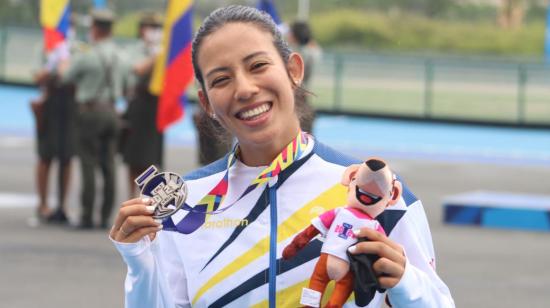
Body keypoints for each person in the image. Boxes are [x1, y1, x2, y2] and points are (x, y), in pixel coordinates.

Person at [110, 5, 454, 307]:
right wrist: (140, 261)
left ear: (294, 70)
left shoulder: (376, 192)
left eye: (258, 65)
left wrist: (406, 281)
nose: (244, 89)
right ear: (206, 103)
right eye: (221, 79)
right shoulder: (185, 205)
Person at [59, 9, 121, 229]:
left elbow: (66, 77)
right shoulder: (119, 54)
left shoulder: (88, 53)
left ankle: (87, 215)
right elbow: (128, 83)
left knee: (88, 163)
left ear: (95, 28)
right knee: (109, 165)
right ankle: (106, 216)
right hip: (113, 111)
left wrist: (64, 64)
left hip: (90, 111)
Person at [31, 16, 80, 224]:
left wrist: (66, 66)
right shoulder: (46, 47)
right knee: (45, 156)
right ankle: (42, 204)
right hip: (50, 104)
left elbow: (80, 79)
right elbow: (37, 78)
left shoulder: (78, 49)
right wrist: (52, 65)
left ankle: (63, 205)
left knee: (67, 157)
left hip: (70, 106)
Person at [120, 12, 165, 197]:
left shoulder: (164, 52)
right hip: (138, 106)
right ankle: (131, 198)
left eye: (157, 29)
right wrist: (157, 56)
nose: (154, 32)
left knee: (151, 159)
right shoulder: (133, 50)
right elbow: (136, 69)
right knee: (133, 158)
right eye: (150, 28)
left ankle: (150, 199)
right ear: (141, 30)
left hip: (156, 108)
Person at [287, 20, 321, 134]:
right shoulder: (315, 51)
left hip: (297, 98)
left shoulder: (294, 54)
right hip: (306, 98)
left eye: (290, 32)